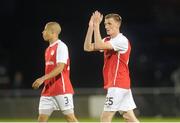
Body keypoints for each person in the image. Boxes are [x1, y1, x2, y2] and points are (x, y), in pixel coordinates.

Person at [84, 11, 139, 122]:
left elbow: (99, 45)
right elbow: (87, 47)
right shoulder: (107, 40)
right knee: (129, 118)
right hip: (121, 85)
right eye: (105, 24)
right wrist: (91, 27)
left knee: (105, 118)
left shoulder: (122, 40)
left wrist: (96, 26)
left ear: (118, 25)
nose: (106, 26)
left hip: (117, 84)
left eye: (109, 23)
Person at [32, 22, 78, 122]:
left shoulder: (61, 46)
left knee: (70, 118)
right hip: (48, 89)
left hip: (61, 88)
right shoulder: (48, 49)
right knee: (41, 119)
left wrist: (42, 78)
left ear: (53, 32)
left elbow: (60, 68)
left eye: (45, 30)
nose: (43, 32)